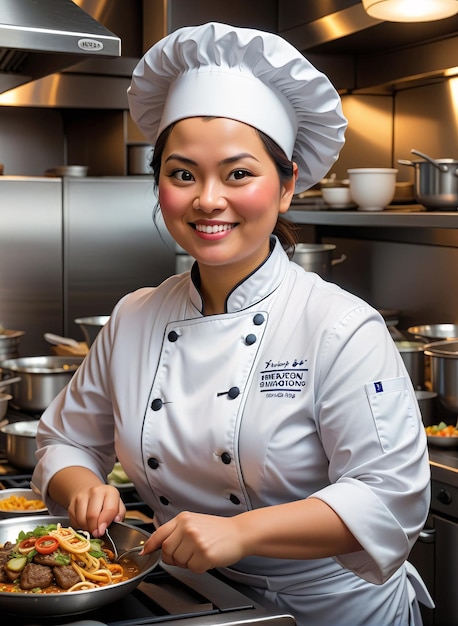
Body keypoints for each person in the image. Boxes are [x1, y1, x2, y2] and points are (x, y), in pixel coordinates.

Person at [32, 22, 433, 626]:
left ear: (288, 184)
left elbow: (389, 498)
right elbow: (64, 441)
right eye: (182, 173)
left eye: (239, 174)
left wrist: (244, 533)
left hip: (333, 609)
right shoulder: (135, 316)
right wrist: (79, 486)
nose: (208, 200)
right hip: (192, 598)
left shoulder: (341, 327)